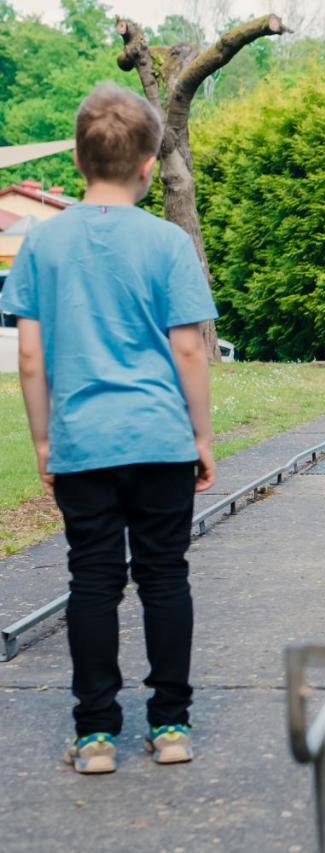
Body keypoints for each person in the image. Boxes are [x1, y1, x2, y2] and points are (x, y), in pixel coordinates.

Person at [0, 83, 217, 774]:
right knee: (164, 576)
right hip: (159, 438)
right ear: (150, 164)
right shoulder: (168, 242)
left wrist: (43, 441)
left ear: (77, 157)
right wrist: (201, 436)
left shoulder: (42, 243)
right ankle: (171, 724)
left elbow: (30, 356)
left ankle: (95, 733)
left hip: (83, 442)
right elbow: (189, 348)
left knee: (92, 580)